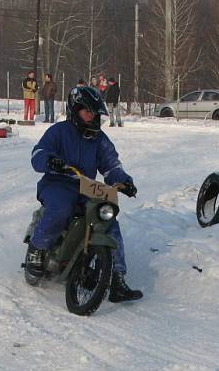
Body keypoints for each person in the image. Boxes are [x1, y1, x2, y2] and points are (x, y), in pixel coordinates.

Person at [26, 86, 142, 302]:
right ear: (75, 110)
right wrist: (51, 160)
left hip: (86, 187)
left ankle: (116, 278)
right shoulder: (59, 131)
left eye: (95, 113)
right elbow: (38, 154)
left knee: (107, 218)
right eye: (87, 111)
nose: (92, 116)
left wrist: (124, 181)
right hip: (57, 183)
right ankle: (37, 248)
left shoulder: (99, 139)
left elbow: (111, 165)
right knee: (61, 209)